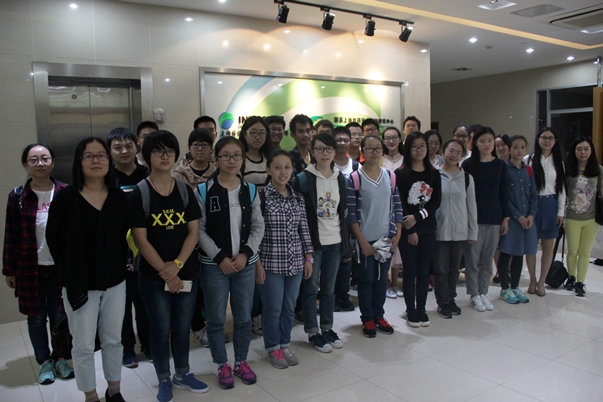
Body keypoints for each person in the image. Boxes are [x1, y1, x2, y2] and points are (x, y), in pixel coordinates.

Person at [47, 137, 129, 402]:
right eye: (89, 156)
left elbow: (125, 237)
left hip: (114, 280)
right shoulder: (65, 198)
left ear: (109, 160)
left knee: (113, 339)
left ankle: (114, 390)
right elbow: (54, 240)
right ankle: (91, 396)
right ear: (79, 162)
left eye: (101, 155)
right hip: (80, 282)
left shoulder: (118, 197)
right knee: (82, 344)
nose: (96, 160)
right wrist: (70, 271)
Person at [130, 130, 208, 402]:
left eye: (170, 151)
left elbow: (193, 232)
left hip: (185, 272)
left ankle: (183, 373)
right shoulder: (140, 193)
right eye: (158, 151)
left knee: (182, 327)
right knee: (160, 329)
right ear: (146, 156)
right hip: (153, 277)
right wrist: (165, 271)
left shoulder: (184, 190)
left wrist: (176, 265)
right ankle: (164, 377)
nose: (165, 156)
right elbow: (140, 239)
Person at [2, 144, 73, 385]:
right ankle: (45, 362)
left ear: (53, 162)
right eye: (34, 159)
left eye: (45, 158)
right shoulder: (18, 197)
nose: (40, 163)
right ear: (26, 164)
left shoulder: (65, 192)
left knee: (59, 316)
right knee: (35, 317)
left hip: (59, 268)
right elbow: (10, 235)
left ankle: (60, 358)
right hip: (29, 268)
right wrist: (9, 270)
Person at [197, 136, 265, 389]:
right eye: (225, 155)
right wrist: (219, 257)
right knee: (216, 319)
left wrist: (246, 253)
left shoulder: (250, 190)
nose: (232, 160)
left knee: (244, 317)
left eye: (237, 155)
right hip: (214, 266)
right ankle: (221, 364)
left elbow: (258, 226)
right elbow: (199, 230)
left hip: (245, 265)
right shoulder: (203, 191)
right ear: (216, 159)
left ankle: (241, 361)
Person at [293, 133, 350, 352]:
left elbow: (343, 212)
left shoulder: (340, 178)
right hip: (312, 244)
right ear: (312, 151)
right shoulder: (303, 178)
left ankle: (327, 328)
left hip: (335, 241)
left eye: (328, 149)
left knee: (329, 289)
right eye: (319, 149)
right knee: (310, 288)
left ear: (334, 152)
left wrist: (346, 244)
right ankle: (312, 332)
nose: (324, 153)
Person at [256, 150, 313, 368]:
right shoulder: (261, 198)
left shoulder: (298, 198)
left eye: (287, 167)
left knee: (289, 307)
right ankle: (273, 348)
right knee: (273, 308)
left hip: (295, 262)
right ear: (268, 169)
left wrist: (308, 258)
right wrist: (257, 264)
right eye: (277, 167)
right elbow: (255, 233)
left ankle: (284, 344)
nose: (283, 172)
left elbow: (304, 229)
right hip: (270, 263)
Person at [347, 135, 403, 337]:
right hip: (365, 241)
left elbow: (397, 207)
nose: (374, 152)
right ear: (363, 151)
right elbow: (351, 214)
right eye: (369, 148)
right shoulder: (355, 178)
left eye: (378, 148)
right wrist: (361, 241)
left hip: (385, 239)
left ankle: (379, 315)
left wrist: (397, 234)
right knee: (366, 280)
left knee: (381, 280)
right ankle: (367, 318)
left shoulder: (390, 176)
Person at [106, 128, 151, 369]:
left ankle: (149, 344)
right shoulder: (106, 177)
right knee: (121, 305)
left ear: (137, 147)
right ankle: (126, 349)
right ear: (110, 151)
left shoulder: (148, 174)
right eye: (117, 147)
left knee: (145, 300)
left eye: (128, 145)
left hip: (147, 249)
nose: (124, 151)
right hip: (116, 251)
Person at [396, 132, 442, 327]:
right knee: (410, 271)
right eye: (414, 146)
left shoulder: (434, 173)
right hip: (408, 231)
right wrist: (410, 229)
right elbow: (399, 203)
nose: (419, 150)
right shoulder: (400, 174)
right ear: (408, 149)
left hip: (427, 228)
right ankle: (410, 310)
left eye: (422, 146)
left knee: (424, 271)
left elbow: (435, 202)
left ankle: (421, 308)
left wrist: (418, 217)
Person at [461, 127, 509, 312]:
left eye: (490, 141)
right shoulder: (468, 165)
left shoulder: (500, 165)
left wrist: (505, 218)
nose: (486, 144)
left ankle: (483, 292)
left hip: (494, 217)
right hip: (474, 218)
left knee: (487, 259)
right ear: (475, 143)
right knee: (472, 259)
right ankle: (473, 294)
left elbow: (504, 192)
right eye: (482, 141)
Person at [433, 140, 477, 318]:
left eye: (459, 152)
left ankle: (451, 299)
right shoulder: (434, 174)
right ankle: (442, 302)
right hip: (440, 229)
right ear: (444, 151)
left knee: (454, 269)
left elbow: (471, 206)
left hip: (460, 230)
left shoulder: (466, 178)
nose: (454, 155)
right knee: (440, 269)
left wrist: (472, 231)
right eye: (451, 151)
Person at [524, 127, 566, 296]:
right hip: (533, 206)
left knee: (548, 247)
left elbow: (562, 188)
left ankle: (542, 281)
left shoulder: (559, 163)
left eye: (550, 138)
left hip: (550, 205)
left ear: (555, 141)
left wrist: (561, 211)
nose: (547, 141)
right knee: (531, 246)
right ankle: (532, 280)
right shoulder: (529, 159)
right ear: (538, 139)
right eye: (544, 137)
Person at [497, 135, 538, 304]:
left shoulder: (528, 170)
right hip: (512, 219)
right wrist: (518, 216)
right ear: (509, 149)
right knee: (506, 252)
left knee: (520, 253)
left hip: (527, 220)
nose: (519, 150)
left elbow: (534, 195)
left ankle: (515, 287)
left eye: (522, 147)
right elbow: (504, 197)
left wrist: (531, 215)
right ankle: (504, 289)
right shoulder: (504, 169)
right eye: (515, 147)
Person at [563, 136, 603, 297]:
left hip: (591, 218)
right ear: (574, 151)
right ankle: (571, 277)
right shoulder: (568, 170)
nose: (583, 152)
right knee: (572, 250)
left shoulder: (598, 170)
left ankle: (580, 282)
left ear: (591, 151)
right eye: (579, 149)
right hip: (572, 217)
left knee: (585, 252)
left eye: (586, 149)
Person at [332, 126, 358, 312]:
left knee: (347, 260)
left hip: (349, 221)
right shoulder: (327, 164)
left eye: (345, 140)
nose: (342, 143)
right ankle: (331, 296)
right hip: (331, 219)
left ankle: (344, 295)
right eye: (338, 139)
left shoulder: (356, 167)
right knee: (332, 260)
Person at [381, 126, 404, 299]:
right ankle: (385, 282)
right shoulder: (379, 159)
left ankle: (395, 283)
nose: (391, 141)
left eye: (394, 137)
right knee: (385, 244)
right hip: (383, 207)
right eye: (387, 138)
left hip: (401, 205)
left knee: (397, 247)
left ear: (400, 139)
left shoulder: (405, 159)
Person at [240, 116, 272, 192]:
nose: (258, 137)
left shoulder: (270, 158)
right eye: (253, 133)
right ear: (244, 134)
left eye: (262, 133)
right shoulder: (239, 159)